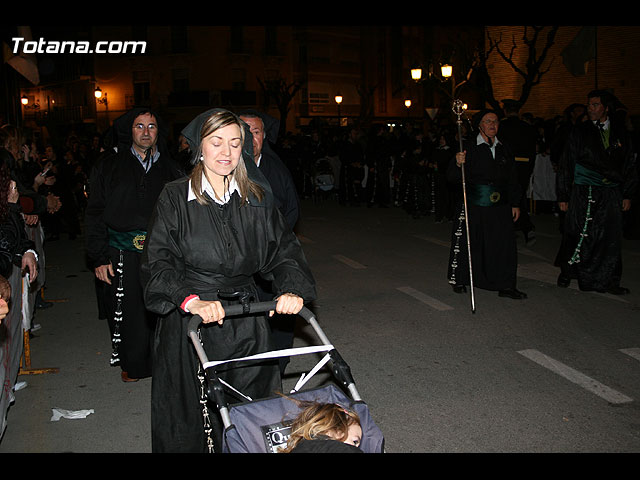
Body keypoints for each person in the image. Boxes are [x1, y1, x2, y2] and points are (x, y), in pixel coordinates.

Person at [141, 108, 317, 453]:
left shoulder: (257, 198)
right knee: (192, 418)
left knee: (253, 413)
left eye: (235, 144)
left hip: (246, 318)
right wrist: (189, 299)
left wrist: (291, 288)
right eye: (216, 142)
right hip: (190, 321)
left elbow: (283, 251)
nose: (226, 152)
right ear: (199, 147)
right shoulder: (176, 198)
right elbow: (158, 261)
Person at [85, 107, 183, 382]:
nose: (146, 132)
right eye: (139, 126)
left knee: (163, 307)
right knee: (130, 310)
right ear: (129, 131)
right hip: (121, 251)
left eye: (151, 127)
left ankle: (162, 365)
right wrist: (99, 256)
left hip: (161, 250)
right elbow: (94, 212)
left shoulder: (171, 167)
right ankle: (134, 364)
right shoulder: (108, 165)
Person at [555, 90, 637, 293]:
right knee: (579, 233)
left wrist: (627, 193)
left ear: (606, 108)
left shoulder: (620, 133)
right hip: (585, 191)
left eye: (595, 105)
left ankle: (609, 280)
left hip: (611, 192)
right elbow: (567, 162)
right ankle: (569, 271)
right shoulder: (580, 131)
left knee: (609, 236)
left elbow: (628, 165)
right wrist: (563, 194)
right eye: (589, 105)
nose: (590, 109)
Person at [238, 109, 301, 375]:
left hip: (272, 257)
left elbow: (292, 213)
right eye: (245, 131)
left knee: (278, 316)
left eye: (256, 131)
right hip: (236, 262)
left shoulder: (277, 171)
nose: (251, 137)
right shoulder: (224, 168)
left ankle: (277, 367)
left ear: (264, 135)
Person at [447, 109, 527, 300]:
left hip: (500, 205)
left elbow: (513, 178)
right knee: (471, 242)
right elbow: (451, 178)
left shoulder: (504, 148)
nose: (492, 124)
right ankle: (462, 278)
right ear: (479, 125)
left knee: (503, 245)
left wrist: (515, 203)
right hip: (475, 203)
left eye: (495, 121)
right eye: (487, 121)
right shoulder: (468, 146)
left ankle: (505, 284)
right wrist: (458, 165)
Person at [498, 99, 539, 246]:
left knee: (509, 198)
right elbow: (533, 151)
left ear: (505, 111)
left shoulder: (501, 126)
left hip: (507, 167)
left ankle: (521, 227)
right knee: (519, 197)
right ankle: (522, 228)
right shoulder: (528, 128)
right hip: (524, 167)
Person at [280, 400, 363, 453]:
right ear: (338, 429)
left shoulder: (302, 447)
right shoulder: (340, 449)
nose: (356, 447)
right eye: (355, 441)